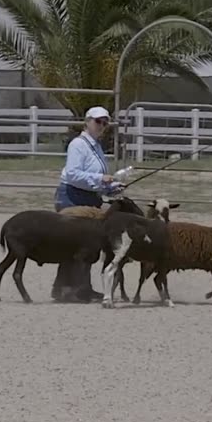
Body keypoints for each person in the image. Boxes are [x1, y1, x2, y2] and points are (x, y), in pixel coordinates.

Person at [51, 106, 125, 301]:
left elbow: (93, 180)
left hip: (89, 198)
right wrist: (101, 179)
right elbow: (73, 174)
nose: (101, 125)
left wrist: (110, 187)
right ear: (87, 121)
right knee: (73, 244)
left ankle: (79, 287)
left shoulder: (95, 146)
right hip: (72, 197)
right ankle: (67, 289)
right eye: (98, 121)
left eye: (105, 122)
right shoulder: (78, 145)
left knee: (87, 244)